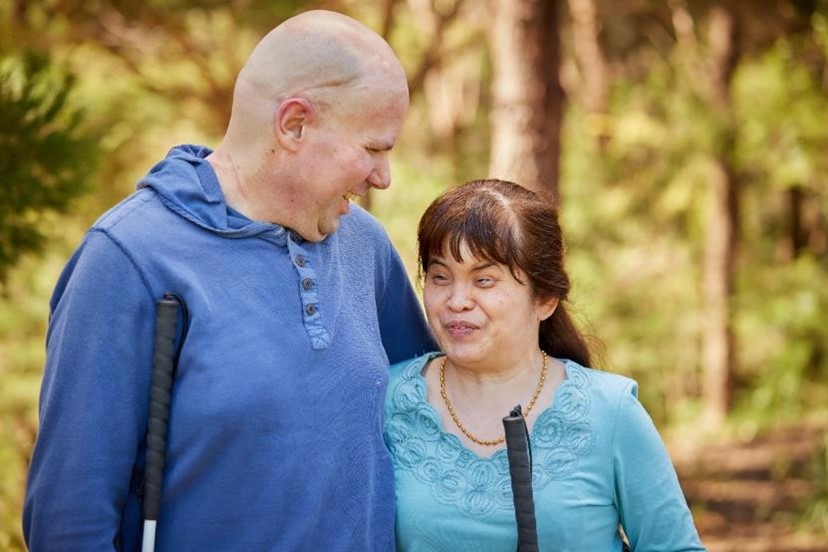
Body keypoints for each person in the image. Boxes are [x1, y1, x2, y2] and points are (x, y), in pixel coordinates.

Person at [23, 10, 435, 551]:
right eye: (374, 148)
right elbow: (69, 524)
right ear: (294, 124)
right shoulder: (128, 259)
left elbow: (434, 428)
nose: (383, 175)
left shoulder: (366, 246)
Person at [384, 179, 705, 551]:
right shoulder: (386, 400)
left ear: (546, 298)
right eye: (440, 277)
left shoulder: (610, 411)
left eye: (484, 280)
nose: (457, 300)